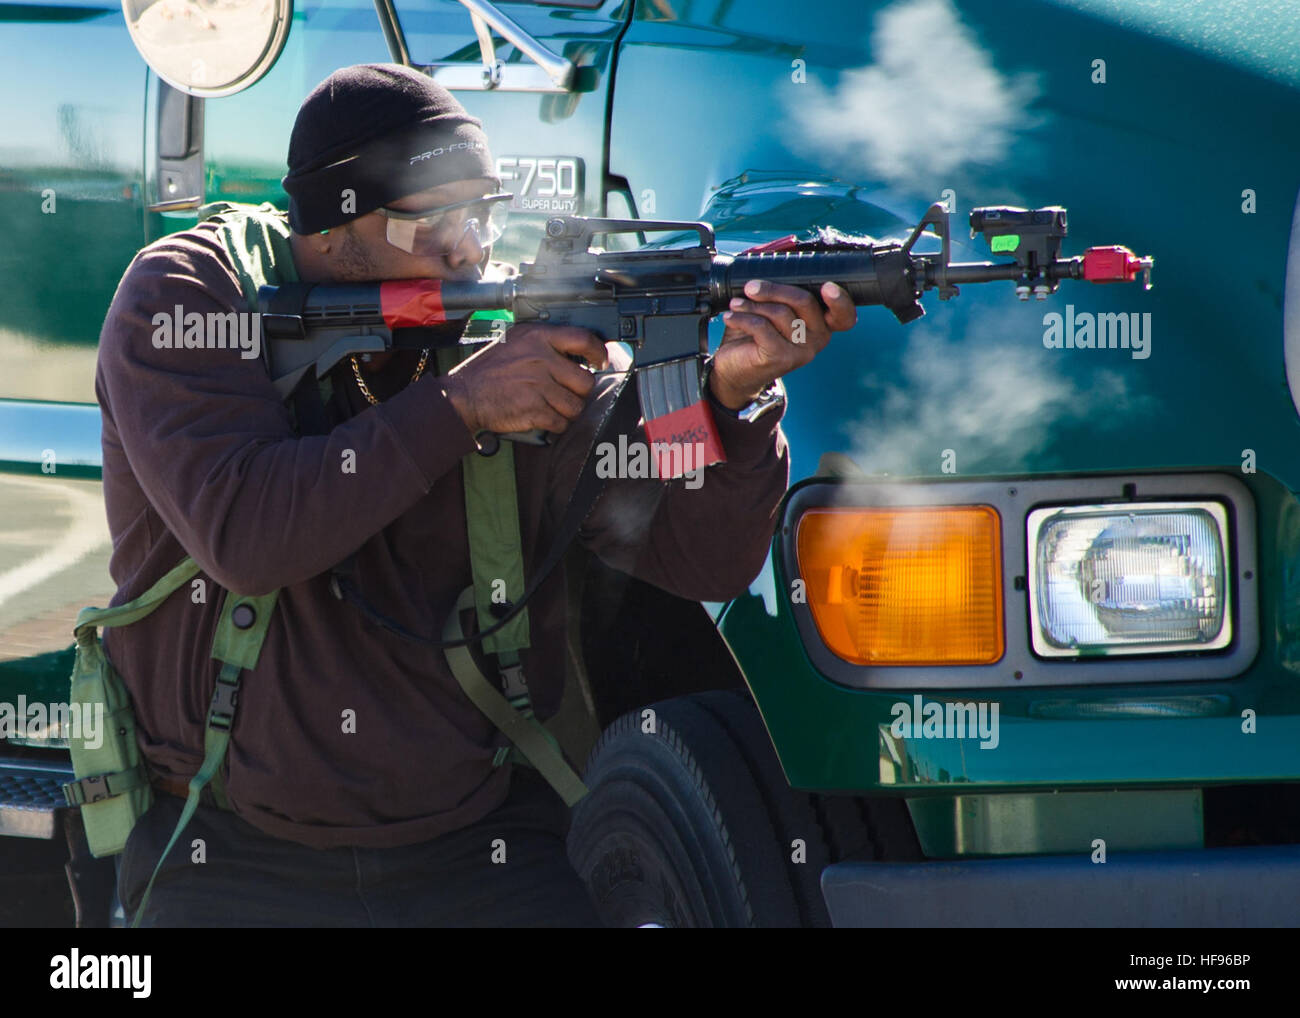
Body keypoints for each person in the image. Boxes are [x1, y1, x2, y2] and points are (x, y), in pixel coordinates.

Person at [96, 63, 857, 927]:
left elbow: (703, 558)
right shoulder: (191, 297)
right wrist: (460, 407)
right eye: (438, 223)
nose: (470, 250)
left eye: (483, 215)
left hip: (475, 842)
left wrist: (729, 398)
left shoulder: (500, 326)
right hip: (230, 849)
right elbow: (248, 537)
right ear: (339, 223)